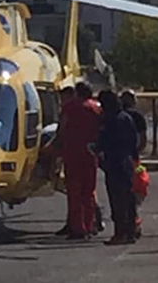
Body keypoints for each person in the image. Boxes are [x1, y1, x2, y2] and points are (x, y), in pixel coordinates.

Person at [96, 90, 138, 245]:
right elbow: (134, 139)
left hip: (114, 162)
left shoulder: (111, 120)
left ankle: (120, 233)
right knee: (128, 198)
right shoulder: (126, 117)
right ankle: (131, 231)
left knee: (117, 199)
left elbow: (106, 141)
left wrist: (97, 148)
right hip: (127, 161)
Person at [61, 82, 102, 240]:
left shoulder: (70, 107)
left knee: (74, 192)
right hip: (90, 153)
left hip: (72, 153)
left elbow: (63, 128)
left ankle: (78, 228)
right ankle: (90, 224)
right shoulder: (96, 108)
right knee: (89, 191)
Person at [120, 90, 149, 238]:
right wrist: (137, 152)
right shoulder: (137, 116)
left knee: (123, 192)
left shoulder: (117, 116)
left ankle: (129, 222)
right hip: (133, 158)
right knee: (137, 189)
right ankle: (134, 222)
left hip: (120, 158)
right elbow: (143, 139)